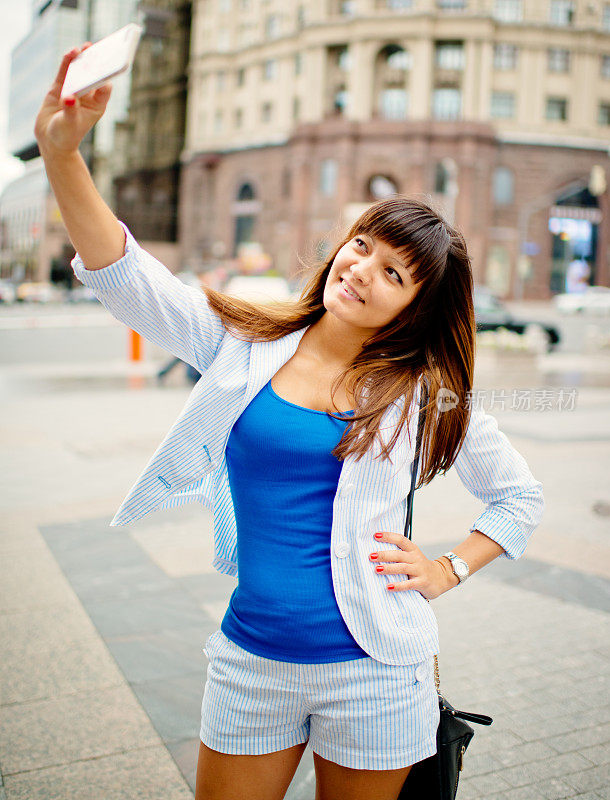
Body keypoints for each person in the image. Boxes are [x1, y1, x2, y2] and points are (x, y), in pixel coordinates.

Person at [35, 46, 545, 800]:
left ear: (415, 307)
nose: (361, 268)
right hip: (251, 663)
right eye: (362, 245)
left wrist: (446, 568)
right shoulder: (241, 348)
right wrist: (63, 156)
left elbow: (519, 498)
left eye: (393, 273)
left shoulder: (424, 392)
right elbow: (125, 274)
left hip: (374, 673)